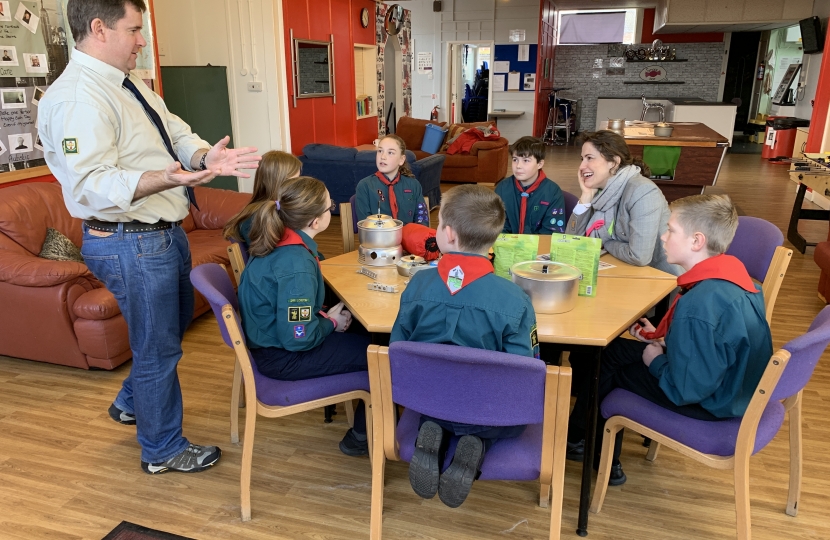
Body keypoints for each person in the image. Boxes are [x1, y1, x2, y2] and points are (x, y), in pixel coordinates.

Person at [37, 0, 260, 474]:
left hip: (160, 235)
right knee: (158, 346)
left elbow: (173, 132)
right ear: (99, 28)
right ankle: (162, 449)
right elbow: (91, 184)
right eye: (135, 30)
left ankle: (130, 402)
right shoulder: (78, 98)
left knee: (167, 332)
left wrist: (202, 159)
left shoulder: (128, 83)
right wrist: (170, 178)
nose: (143, 41)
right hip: (128, 240)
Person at [567, 194, 772, 485]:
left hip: (712, 402)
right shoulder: (741, 282)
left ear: (696, 241)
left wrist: (658, 360)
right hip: (733, 385)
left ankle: (600, 457)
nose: (663, 236)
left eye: (671, 230)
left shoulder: (698, 305)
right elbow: (717, 343)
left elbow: (685, 389)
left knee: (609, 372)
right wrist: (671, 341)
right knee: (611, 352)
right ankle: (578, 436)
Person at [390, 184, 541, 508]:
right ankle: (477, 443)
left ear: (447, 234)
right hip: (487, 409)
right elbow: (522, 371)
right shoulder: (515, 299)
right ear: (493, 239)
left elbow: (398, 349)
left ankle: (434, 430)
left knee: (436, 401)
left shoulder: (417, 284)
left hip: (428, 399)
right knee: (512, 415)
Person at [236, 176, 372, 457]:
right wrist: (330, 323)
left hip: (273, 343)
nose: (330, 210)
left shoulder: (276, 239)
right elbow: (298, 336)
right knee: (379, 353)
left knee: (365, 334)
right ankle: (361, 437)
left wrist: (321, 316)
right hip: (284, 356)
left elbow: (289, 311)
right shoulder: (296, 264)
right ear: (315, 221)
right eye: (329, 205)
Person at [567, 130, 681, 276]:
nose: (582, 166)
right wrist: (586, 197)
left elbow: (639, 256)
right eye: (582, 159)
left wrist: (605, 243)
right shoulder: (599, 191)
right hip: (619, 270)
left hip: (657, 280)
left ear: (613, 162)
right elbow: (570, 242)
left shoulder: (643, 191)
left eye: (589, 158)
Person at [224, 150, 301, 246]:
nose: (298, 185)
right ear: (278, 181)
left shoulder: (277, 209)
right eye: (295, 180)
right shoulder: (257, 218)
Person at [494, 136, 566, 234]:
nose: (518, 166)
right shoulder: (502, 188)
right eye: (515, 160)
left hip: (540, 247)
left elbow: (551, 232)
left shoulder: (553, 192)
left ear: (540, 164)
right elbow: (497, 226)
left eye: (526, 160)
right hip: (506, 246)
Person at [355, 134, 427, 224]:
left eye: (390, 153)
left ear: (401, 159)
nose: (383, 157)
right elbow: (365, 224)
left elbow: (422, 218)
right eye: (380, 151)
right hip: (377, 237)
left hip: (409, 237)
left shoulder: (413, 184)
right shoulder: (364, 186)